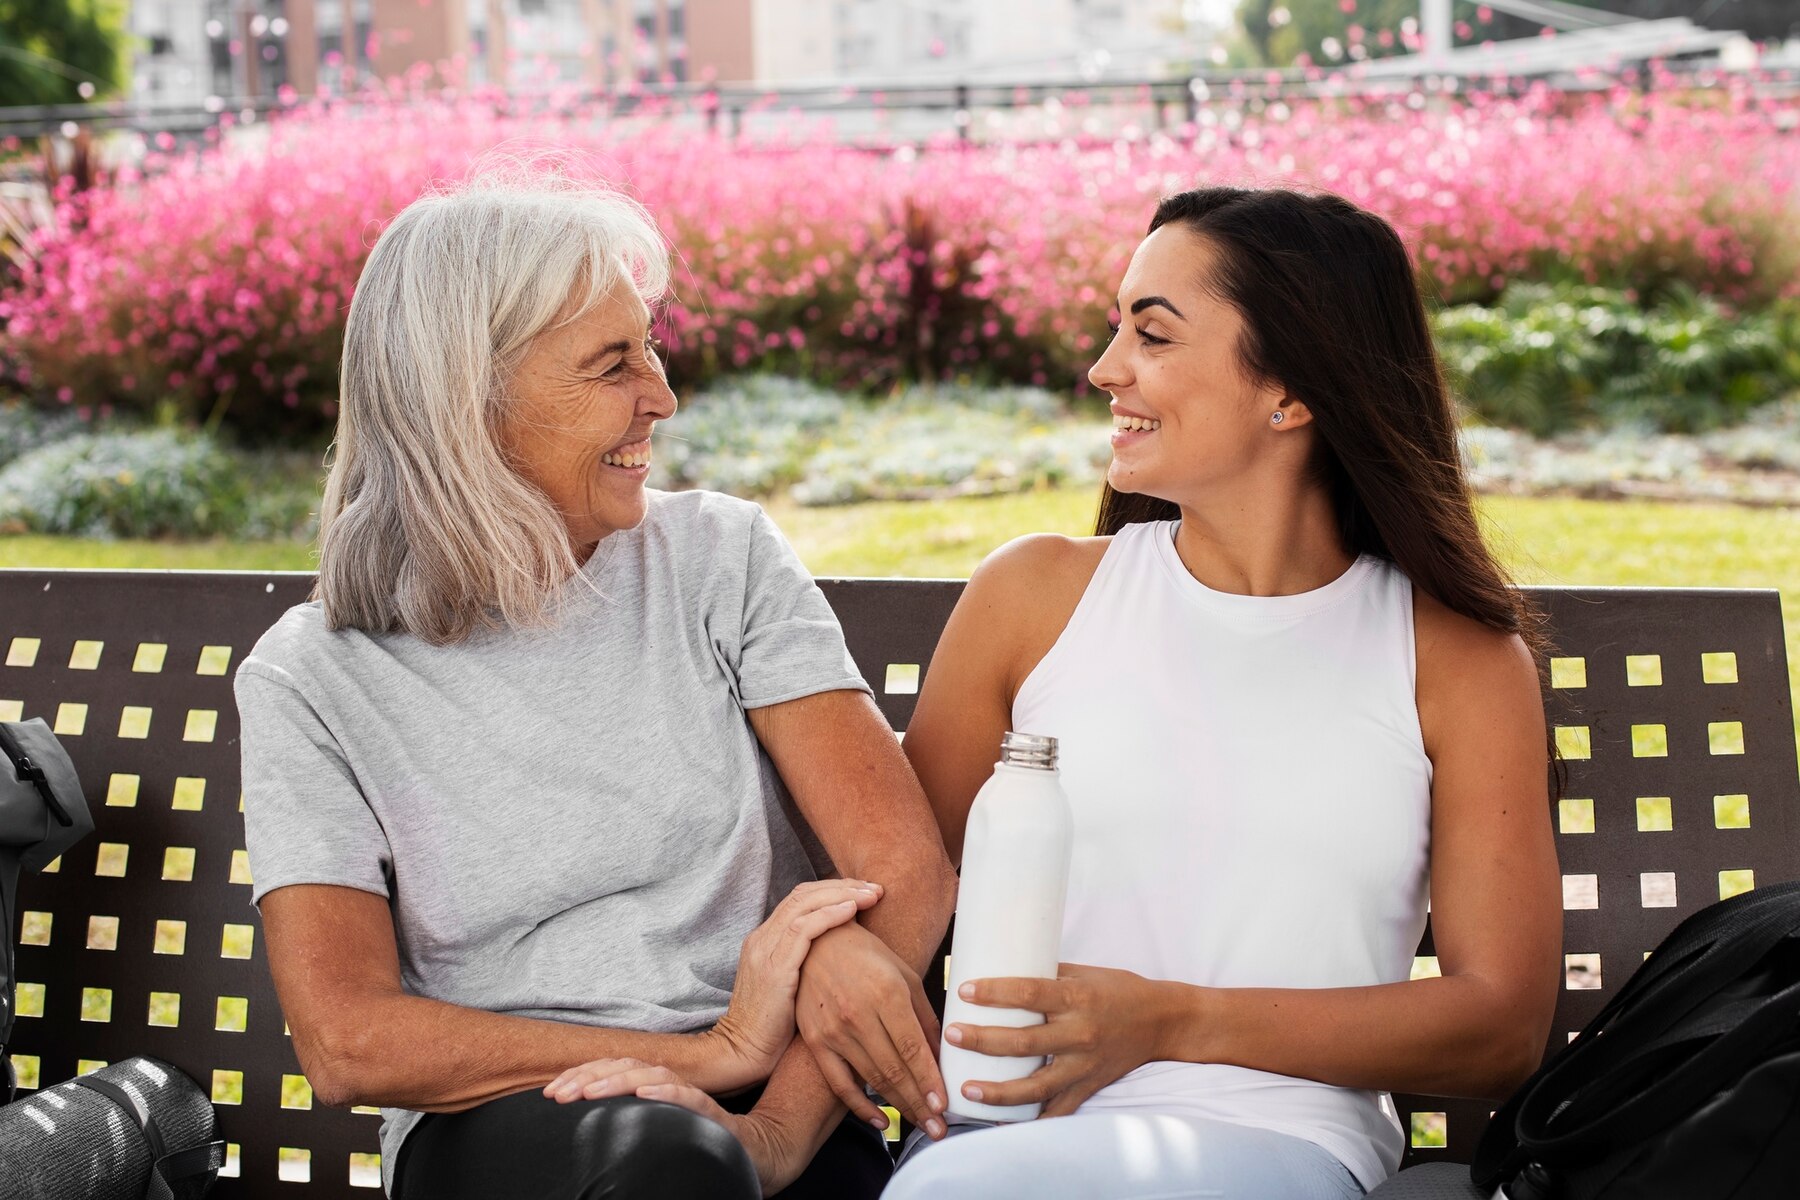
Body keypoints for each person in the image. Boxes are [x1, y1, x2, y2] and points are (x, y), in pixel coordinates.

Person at [234, 169, 957, 1200]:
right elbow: (351, 1041)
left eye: (649, 348)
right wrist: (714, 1052)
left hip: (776, 1114)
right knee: (662, 1167)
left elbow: (902, 869)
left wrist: (776, 1134)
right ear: (464, 405)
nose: (661, 396)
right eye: (612, 363)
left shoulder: (718, 558)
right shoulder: (314, 677)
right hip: (510, 1127)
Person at [884, 187, 1564, 1199]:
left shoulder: (1454, 657)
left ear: (1290, 390)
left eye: (1152, 335)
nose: (1105, 368)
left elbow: (1499, 1025)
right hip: (1002, 1134)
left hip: (1280, 1145)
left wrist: (1169, 1020)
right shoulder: (1032, 597)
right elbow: (894, 893)